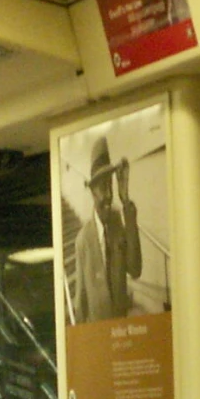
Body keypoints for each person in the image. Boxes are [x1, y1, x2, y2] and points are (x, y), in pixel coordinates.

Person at [71, 137, 142, 323]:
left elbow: (135, 269)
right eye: (104, 187)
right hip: (100, 337)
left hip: (123, 331)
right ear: (93, 191)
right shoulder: (83, 241)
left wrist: (126, 201)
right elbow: (80, 302)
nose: (110, 195)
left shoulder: (118, 222)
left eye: (111, 185)